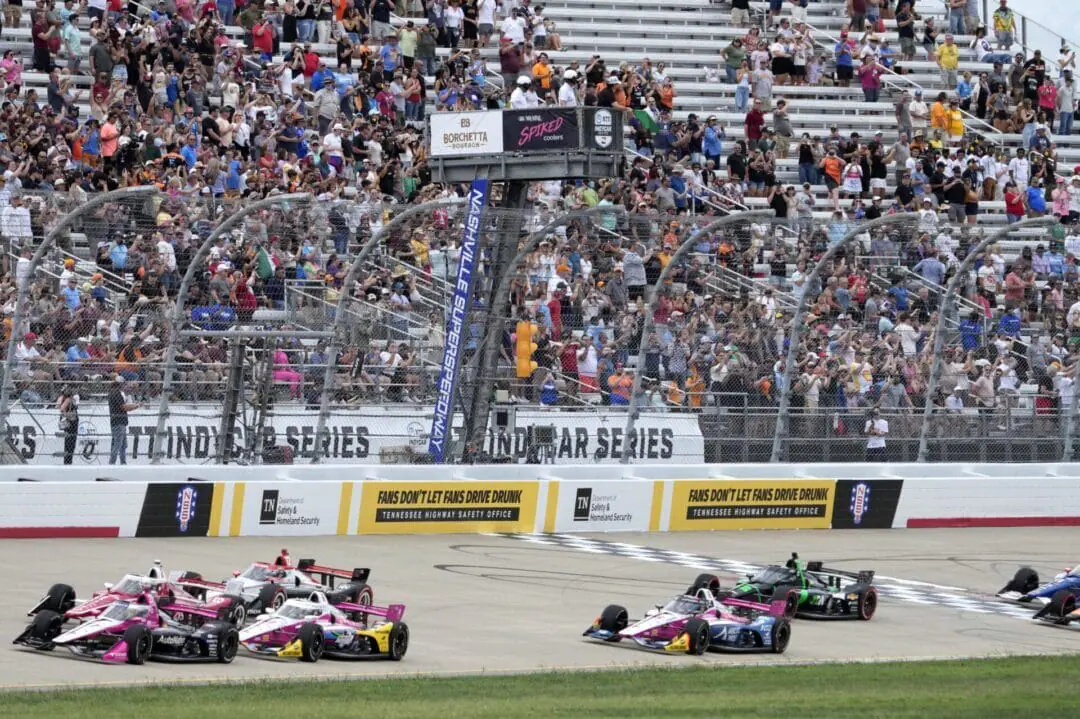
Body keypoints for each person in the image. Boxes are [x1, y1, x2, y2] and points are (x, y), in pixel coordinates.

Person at [108, 375, 139, 465]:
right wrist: (136, 406)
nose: (124, 386)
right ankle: (112, 463)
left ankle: (123, 462)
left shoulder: (113, 392)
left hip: (119, 421)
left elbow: (124, 404)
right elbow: (124, 407)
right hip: (118, 421)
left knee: (123, 445)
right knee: (118, 444)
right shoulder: (116, 393)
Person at [57, 386, 79, 465]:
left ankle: (68, 461)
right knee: (70, 444)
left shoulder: (63, 398)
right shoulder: (68, 399)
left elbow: (59, 406)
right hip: (71, 424)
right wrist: (67, 415)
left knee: (70, 444)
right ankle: (68, 462)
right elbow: (61, 408)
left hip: (72, 423)